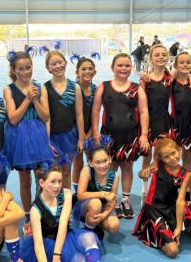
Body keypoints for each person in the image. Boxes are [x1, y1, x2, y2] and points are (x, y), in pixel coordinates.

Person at [91, 53, 149, 219]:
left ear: (132, 68)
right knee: (110, 167)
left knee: (127, 167)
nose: (123, 68)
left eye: (127, 66)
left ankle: (126, 199)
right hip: (108, 136)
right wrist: (96, 131)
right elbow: (95, 110)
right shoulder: (104, 86)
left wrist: (144, 134)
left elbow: (144, 112)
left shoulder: (137, 88)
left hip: (130, 135)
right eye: (120, 65)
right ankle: (111, 199)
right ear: (112, 68)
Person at [3, 52, 55, 235]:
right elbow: (13, 118)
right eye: (21, 68)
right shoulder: (9, 89)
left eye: (28, 67)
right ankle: (27, 215)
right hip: (20, 138)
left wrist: (35, 99)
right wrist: (27, 99)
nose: (25, 72)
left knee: (42, 178)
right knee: (24, 179)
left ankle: (39, 212)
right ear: (13, 70)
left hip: (38, 136)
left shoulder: (40, 87)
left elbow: (46, 116)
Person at [20, 165, 102, 262]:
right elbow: (38, 245)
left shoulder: (66, 194)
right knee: (80, 259)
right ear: (42, 183)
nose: (57, 186)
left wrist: (57, 255)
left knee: (89, 237)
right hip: (48, 243)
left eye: (60, 181)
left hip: (66, 236)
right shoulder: (35, 209)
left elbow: (63, 225)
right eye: (53, 181)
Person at [132, 138, 191, 258]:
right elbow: (142, 173)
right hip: (154, 210)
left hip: (171, 209)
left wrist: (178, 227)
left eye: (173, 153)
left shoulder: (185, 174)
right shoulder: (156, 165)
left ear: (179, 150)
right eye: (166, 157)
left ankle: (174, 229)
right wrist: (143, 173)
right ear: (161, 159)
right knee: (173, 251)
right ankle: (156, 233)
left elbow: (180, 201)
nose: (172, 158)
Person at [44, 51, 86, 188]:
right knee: (53, 172)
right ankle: (53, 202)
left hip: (70, 135)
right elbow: (46, 117)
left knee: (66, 171)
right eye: (53, 64)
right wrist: (47, 140)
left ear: (66, 63)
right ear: (48, 68)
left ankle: (66, 201)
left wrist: (81, 138)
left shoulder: (75, 87)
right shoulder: (45, 88)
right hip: (53, 137)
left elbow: (79, 114)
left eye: (60, 62)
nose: (58, 66)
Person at [139, 44, 173, 204]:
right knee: (146, 157)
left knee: (161, 156)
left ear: (168, 57)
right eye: (157, 55)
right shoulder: (145, 80)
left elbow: (187, 78)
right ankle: (145, 189)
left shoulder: (170, 78)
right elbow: (140, 105)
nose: (160, 57)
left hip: (164, 121)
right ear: (150, 58)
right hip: (148, 121)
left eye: (163, 54)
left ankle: (159, 186)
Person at [73, 146, 120, 237]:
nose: (102, 165)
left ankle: (96, 222)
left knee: (114, 226)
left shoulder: (115, 176)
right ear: (90, 163)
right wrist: (103, 194)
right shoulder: (86, 170)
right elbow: (80, 195)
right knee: (96, 203)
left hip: (104, 207)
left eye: (105, 160)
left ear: (110, 159)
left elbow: (112, 200)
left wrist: (104, 215)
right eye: (97, 162)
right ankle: (88, 231)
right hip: (84, 205)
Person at [72, 58, 98, 191]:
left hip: (90, 131)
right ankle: (77, 192)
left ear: (95, 71)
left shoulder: (95, 88)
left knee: (93, 160)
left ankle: (91, 187)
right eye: (83, 69)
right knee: (78, 163)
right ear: (77, 72)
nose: (87, 71)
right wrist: (81, 135)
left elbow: (96, 112)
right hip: (75, 131)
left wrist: (91, 132)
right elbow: (76, 114)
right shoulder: (73, 88)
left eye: (90, 69)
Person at [171, 52, 191, 171]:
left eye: (188, 62)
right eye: (181, 62)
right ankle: (172, 183)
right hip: (174, 124)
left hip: (190, 125)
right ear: (175, 65)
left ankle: (185, 186)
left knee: (187, 158)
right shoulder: (171, 82)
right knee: (172, 158)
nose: (185, 65)